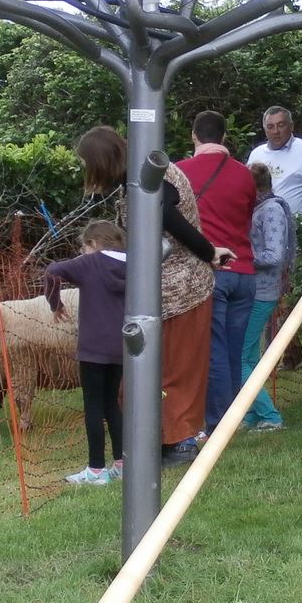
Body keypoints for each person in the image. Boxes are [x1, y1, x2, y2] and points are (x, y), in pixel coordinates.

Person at [73, 127, 230, 467]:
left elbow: (173, 220)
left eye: (87, 164)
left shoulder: (149, 179)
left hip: (181, 292)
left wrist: (209, 253)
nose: (87, 171)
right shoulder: (138, 175)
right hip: (160, 293)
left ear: (101, 161)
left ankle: (181, 443)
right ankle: (158, 441)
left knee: (176, 371)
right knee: (152, 372)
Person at [178, 113, 258, 434]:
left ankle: (217, 425)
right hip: (245, 271)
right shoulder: (245, 175)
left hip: (211, 270)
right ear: (224, 137)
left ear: (193, 136)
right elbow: (247, 216)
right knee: (234, 350)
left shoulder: (181, 172)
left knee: (213, 350)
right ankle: (232, 418)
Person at [45, 221, 129, 486]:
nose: (83, 251)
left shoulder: (90, 263)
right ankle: (122, 464)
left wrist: (55, 303)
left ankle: (95, 470)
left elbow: (52, 271)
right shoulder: (133, 263)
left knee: (93, 405)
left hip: (93, 349)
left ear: (93, 244)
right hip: (121, 346)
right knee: (111, 403)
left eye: (84, 247)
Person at [240, 162, 296, 432]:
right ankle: (252, 414)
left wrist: (241, 257)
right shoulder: (256, 208)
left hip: (263, 291)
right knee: (250, 357)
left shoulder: (271, 209)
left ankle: (270, 415)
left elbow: (274, 256)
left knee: (239, 358)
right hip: (252, 289)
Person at [245, 106, 302, 217]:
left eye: (281, 125)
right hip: (259, 223)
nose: (276, 131)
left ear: (291, 126)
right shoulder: (256, 154)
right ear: (265, 130)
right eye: (270, 127)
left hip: (297, 224)